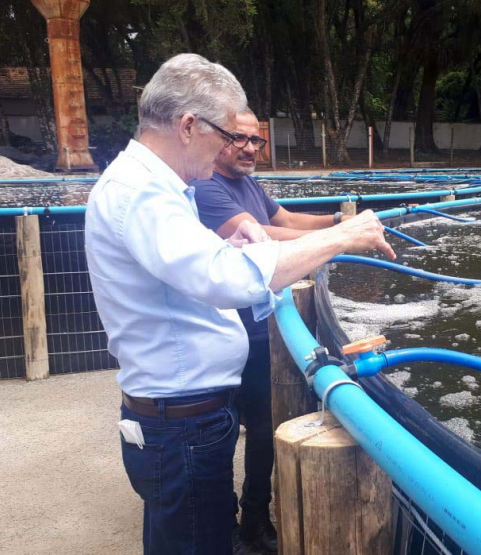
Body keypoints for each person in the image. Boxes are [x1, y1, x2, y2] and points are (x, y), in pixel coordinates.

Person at [84, 53, 394, 555]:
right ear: (188, 126)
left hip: (184, 416)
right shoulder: (142, 194)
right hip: (180, 422)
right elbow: (223, 280)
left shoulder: (157, 186)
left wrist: (235, 244)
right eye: (226, 135)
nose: (231, 149)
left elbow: (192, 267)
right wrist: (343, 236)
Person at [192, 109, 343, 553]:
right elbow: (265, 238)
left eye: (256, 141)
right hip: (241, 334)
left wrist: (337, 222)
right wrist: (343, 238)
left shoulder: (248, 183)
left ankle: (252, 515)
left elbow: (289, 220)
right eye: (238, 139)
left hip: (267, 329)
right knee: (259, 426)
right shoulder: (207, 189)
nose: (250, 148)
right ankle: (250, 521)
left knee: (265, 425)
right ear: (214, 137)